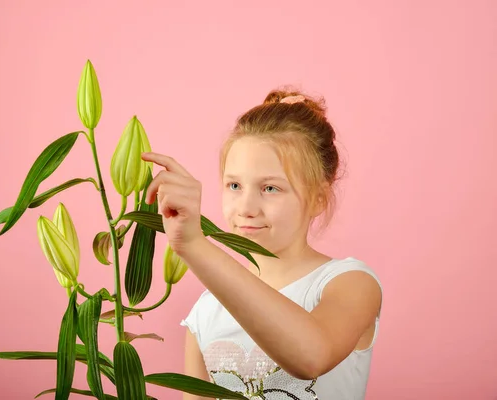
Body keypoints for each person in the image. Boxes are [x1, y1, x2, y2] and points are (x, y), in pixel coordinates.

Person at [141, 88, 383, 400]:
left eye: (270, 188)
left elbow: (312, 356)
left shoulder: (350, 283)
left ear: (319, 199)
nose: (246, 207)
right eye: (234, 185)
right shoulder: (205, 313)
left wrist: (196, 246)